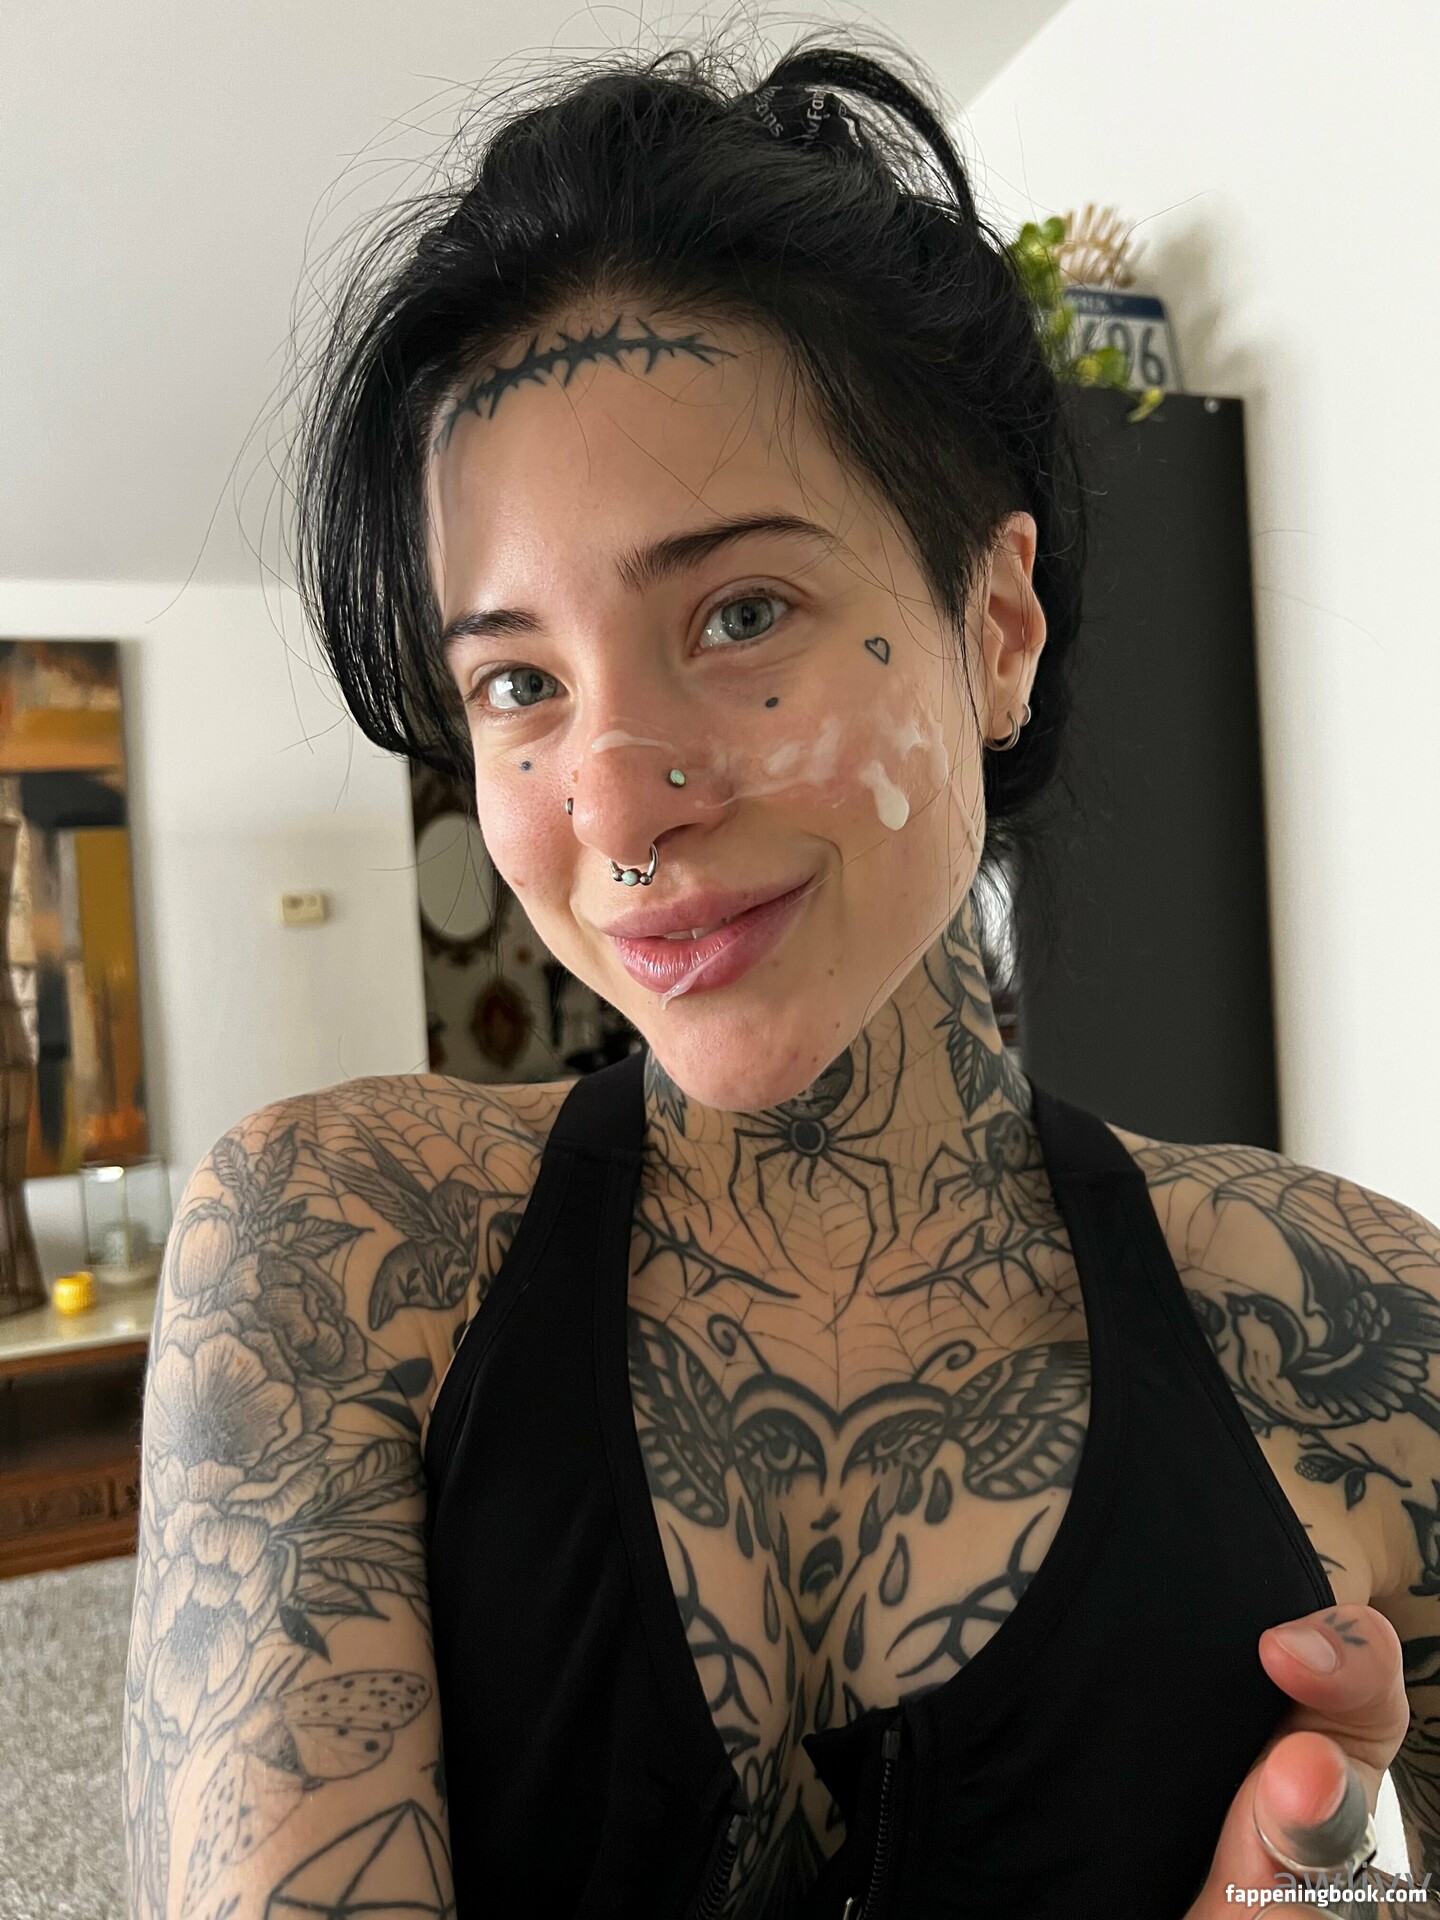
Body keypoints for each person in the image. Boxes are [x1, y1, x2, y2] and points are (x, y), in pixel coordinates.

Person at [123, 31, 1429, 1920]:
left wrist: (1345, 1894)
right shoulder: (335, 1256)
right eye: (518, 682)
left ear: (995, 627)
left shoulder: (1365, 1327)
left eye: (741, 613)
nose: (613, 801)